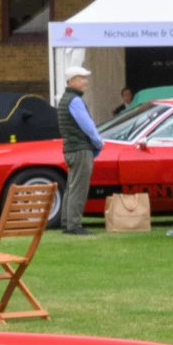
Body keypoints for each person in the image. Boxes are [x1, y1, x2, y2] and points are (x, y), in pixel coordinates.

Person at [55, 67, 102, 234]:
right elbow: (87, 125)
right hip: (81, 149)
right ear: (71, 81)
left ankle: (67, 223)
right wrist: (98, 142)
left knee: (71, 187)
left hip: (70, 148)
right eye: (81, 78)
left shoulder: (65, 99)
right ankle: (74, 225)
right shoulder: (75, 100)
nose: (85, 81)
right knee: (79, 188)